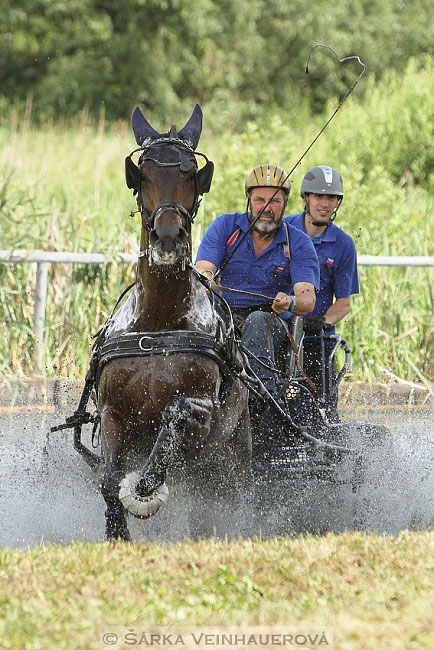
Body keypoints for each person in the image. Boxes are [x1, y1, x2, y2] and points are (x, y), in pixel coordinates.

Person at [195, 163, 319, 403]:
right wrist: (206, 279)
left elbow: (308, 299)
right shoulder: (225, 226)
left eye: (275, 202)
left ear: (285, 205)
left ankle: (262, 400)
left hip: (269, 320)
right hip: (223, 315)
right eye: (260, 200)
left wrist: (291, 302)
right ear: (249, 201)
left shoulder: (299, 243)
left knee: (257, 321)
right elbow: (204, 268)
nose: (267, 208)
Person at [285, 165, 359, 421]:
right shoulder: (283, 229)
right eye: (319, 196)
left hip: (316, 337)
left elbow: (344, 303)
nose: (325, 203)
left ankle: (325, 431)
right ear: (306, 198)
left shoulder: (344, 244)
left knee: (322, 405)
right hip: (279, 328)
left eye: (331, 198)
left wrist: (320, 323)